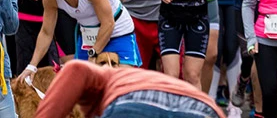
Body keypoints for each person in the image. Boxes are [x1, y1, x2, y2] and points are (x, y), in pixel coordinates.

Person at [20, 0, 142, 75]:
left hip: (117, 31)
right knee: (85, 84)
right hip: (89, 35)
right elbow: (46, 32)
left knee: (122, 79)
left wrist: (94, 52)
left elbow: (108, 23)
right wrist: (32, 66)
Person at [34, 60, 226, 118]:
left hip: (136, 100)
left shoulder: (110, 76)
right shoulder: (137, 76)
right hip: (205, 109)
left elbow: (77, 69)